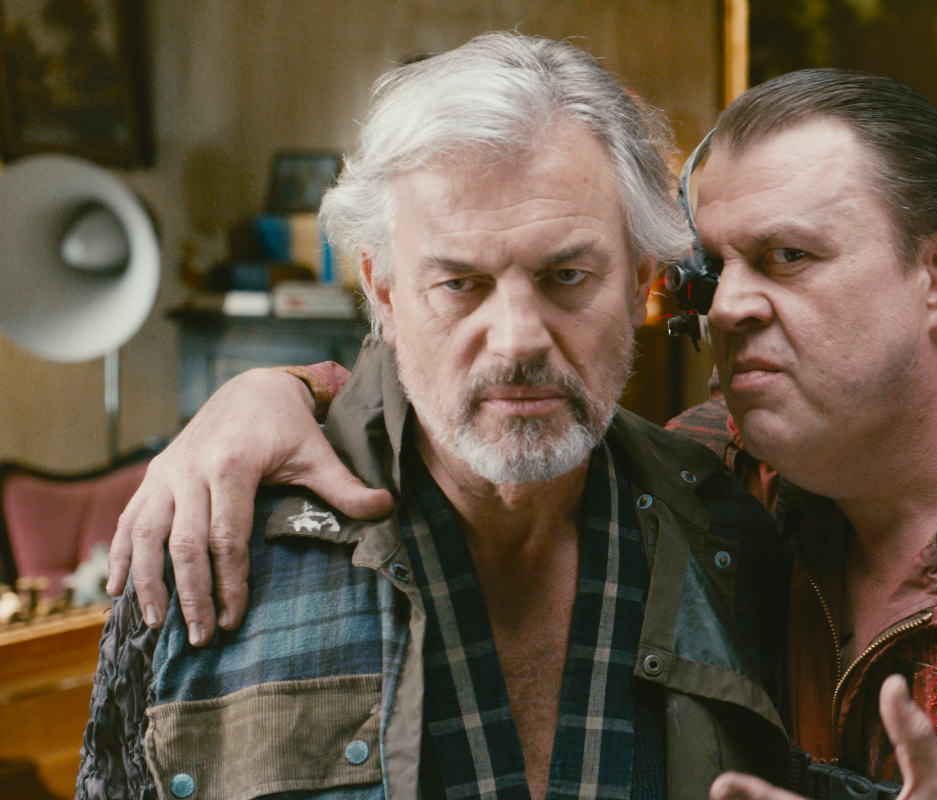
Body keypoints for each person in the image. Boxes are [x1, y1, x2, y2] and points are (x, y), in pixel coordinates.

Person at [107, 69, 937, 799]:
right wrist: (272, 396)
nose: (730, 308)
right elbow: (481, 395)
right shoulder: (718, 471)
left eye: (789, 257)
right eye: (714, 270)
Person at [79, 33, 788, 800]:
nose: (517, 338)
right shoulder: (210, 541)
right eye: (460, 284)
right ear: (382, 291)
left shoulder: (731, 537)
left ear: (641, 279)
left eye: (566, 275)